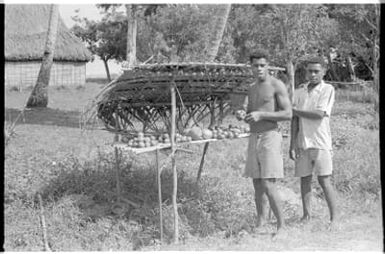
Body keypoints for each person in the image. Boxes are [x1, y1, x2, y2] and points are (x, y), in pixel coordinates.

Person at [235, 49, 292, 236]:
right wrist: (243, 115)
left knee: (269, 184)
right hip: (254, 137)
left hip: (270, 136)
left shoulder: (277, 85)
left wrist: (262, 114)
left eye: (262, 65)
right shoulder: (252, 88)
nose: (259, 68)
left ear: (268, 66)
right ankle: (261, 223)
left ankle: (281, 226)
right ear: (250, 67)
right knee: (257, 184)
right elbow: (252, 115)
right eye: (255, 65)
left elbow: (288, 114)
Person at [290, 56, 338, 228]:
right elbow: (294, 120)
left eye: (316, 71)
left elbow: (319, 114)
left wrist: (295, 111)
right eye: (309, 71)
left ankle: (334, 219)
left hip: (321, 142)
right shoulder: (299, 92)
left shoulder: (327, 89)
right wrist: (292, 144)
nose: (312, 74)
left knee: (324, 180)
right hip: (303, 142)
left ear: (324, 72)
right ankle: (306, 215)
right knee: (304, 179)